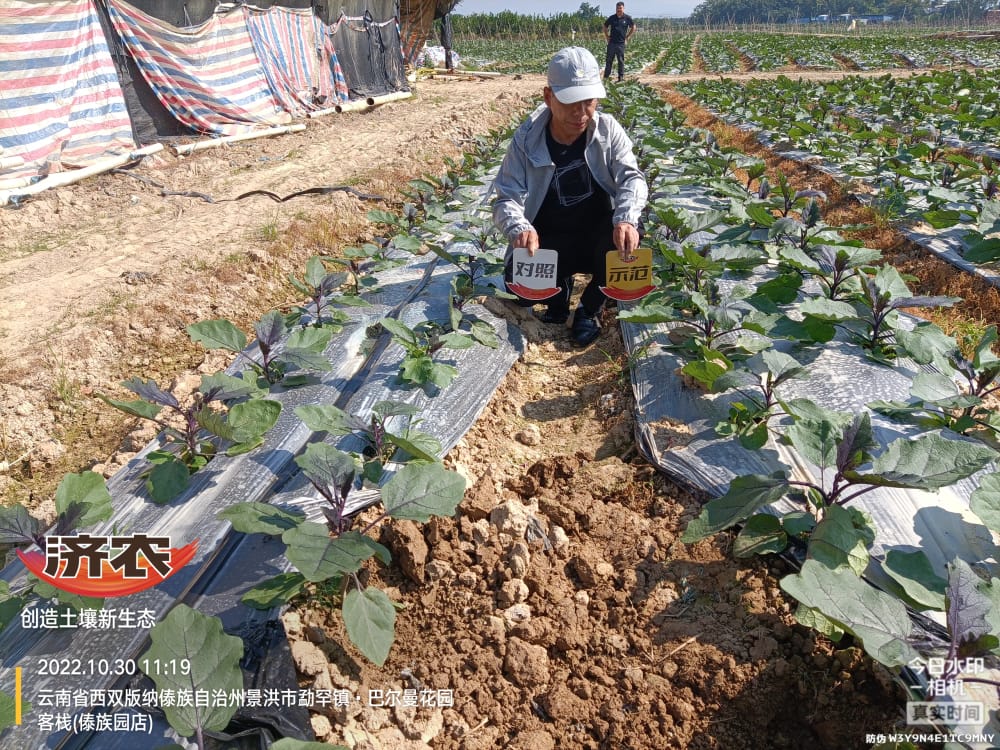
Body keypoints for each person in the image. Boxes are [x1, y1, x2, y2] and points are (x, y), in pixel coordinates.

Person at [492, 46, 648, 347]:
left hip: (598, 235)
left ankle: (589, 309)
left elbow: (632, 178)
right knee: (520, 287)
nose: (581, 113)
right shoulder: (527, 139)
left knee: (631, 243)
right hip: (550, 236)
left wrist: (626, 219)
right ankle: (558, 299)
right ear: (548, 97)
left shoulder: (608, 129)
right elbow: (506, 197)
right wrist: (519, 228)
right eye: (570, 103)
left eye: (588, 102)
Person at [603, 2, 635, 82]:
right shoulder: (612, 18)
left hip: (621, 43)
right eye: (617, 8)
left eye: (620, 8)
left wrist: (627, 37)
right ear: (616, 9)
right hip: (612, 43)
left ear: (623, 8)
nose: (619, 10)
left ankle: (620, 78)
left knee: (620, 61)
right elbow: (605, 26)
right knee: (609, 60)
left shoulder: (627, 18)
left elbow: (633, 27)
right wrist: (607, 36)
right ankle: (606, 78)